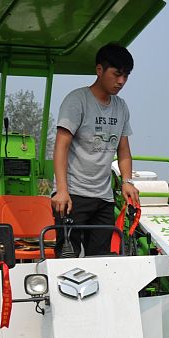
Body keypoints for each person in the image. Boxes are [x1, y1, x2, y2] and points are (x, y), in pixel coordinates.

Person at [51, 43, 139, 257]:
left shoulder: (121, 107)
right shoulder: (77, 100)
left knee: (101, 260)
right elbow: (61, 146)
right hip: (73, 195)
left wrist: (127, 181)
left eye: (126, 76)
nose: (121, 81)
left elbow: (124, 151)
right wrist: (62, 190)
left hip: (104, 198)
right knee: (68, 258)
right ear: (99, 70)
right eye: (117, 74)